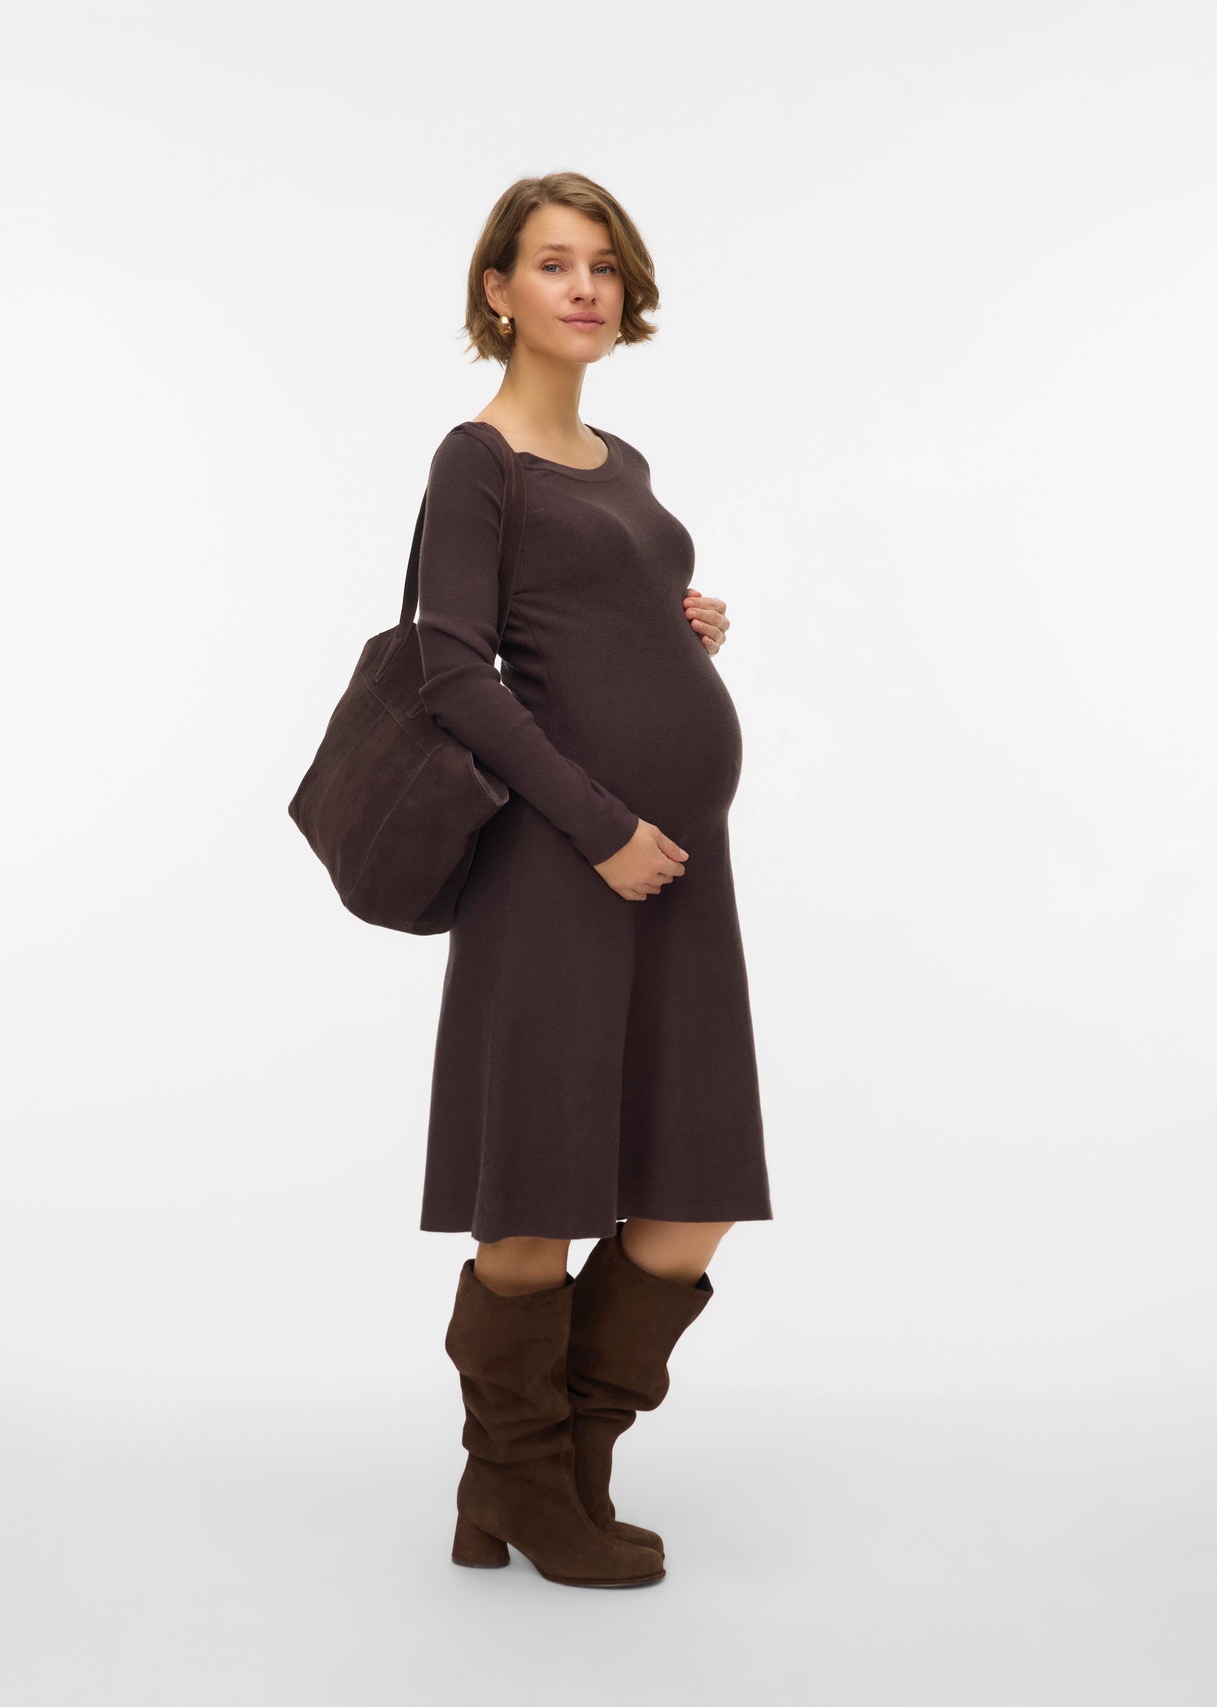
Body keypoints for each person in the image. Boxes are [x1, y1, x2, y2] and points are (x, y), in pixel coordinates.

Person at [414, 171, 774, 1589]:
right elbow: (454, 670)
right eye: (554, 263)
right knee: (539, 1189)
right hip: (565, 864)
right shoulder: (477, 459)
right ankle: (524, 1487)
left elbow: (578, 621)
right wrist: (601, 825)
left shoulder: (618, 460)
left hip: (680, 872)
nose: (585, 288)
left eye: (605, 266)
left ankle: (542, 1477)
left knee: (692, 1188)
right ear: (497, 291)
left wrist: (676, 625)